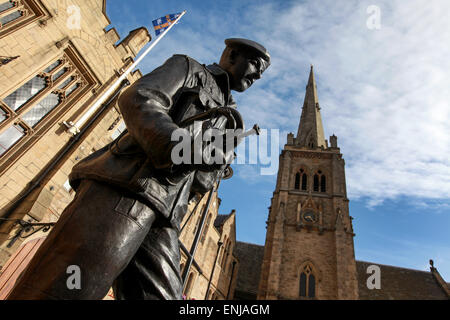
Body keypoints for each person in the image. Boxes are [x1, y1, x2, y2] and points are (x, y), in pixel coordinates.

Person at [7, 38, 270, 300]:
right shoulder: (188, 68)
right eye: (256, 64)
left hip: (165, 214)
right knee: (69, 288)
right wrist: (181, 146)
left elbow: (199, 179)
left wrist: (216, 162)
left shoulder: (231, 114)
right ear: (233, 55)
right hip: (127, 188)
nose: (258, 75)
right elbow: (139, 99)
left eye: (262, 71)